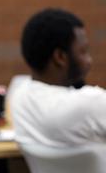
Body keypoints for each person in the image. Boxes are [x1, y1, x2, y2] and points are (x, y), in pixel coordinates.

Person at [12, 8, 102, 145]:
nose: (89, 60)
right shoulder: (91, 103)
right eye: (83, 51)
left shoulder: (19, 97)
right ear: (60, 57)